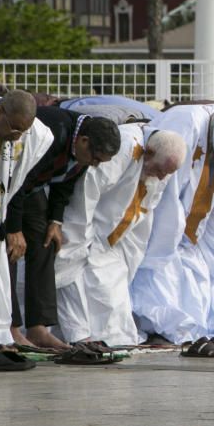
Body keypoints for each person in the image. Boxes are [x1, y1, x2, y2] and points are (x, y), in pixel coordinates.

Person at [131, 104, 214, 344]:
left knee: (202, 277)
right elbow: (166, 184)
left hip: (194, 229)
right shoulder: (187, 122)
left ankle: (187, 325)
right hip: (165, 220)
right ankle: (156, 325)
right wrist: (173, 231)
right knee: (160, 271)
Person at [53, 126, 188, 345]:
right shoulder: (126, 146)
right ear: (150, 152)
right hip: (88, 232)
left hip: (113, 244)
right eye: (160, 170)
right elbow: (87, 192)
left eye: (167, 173)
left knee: (114, 302)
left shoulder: (158, 165)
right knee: (85, 284)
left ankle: (101, 341)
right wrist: (80, 238)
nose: (162, 177)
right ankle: (78, 338)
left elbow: (146, 206)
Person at [7, 106, 121, 349]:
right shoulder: (53, 133)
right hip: (8, 187)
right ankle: (11, 327)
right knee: (10, 249)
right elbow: (16, 175)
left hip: (32, 190)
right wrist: (14, 228)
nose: (95, 165)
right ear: (83, 141)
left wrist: (55, 221)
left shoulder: (83, 152)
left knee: (46, 242)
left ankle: (38, 328)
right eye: (96, 159)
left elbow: (65, 182)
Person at [0, 91, 54, 346]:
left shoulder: (36, 135)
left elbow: (13, 183)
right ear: (0, 112)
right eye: (13, 127)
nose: (17, 135)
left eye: (22, 131)